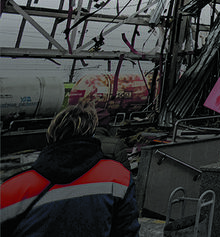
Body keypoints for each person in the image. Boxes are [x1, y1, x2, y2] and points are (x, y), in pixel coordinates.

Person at [0, 101, 140, 236]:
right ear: (92, 134)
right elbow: (127, 231)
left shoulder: (13, 190)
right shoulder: (118, 178)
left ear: (51, 135)